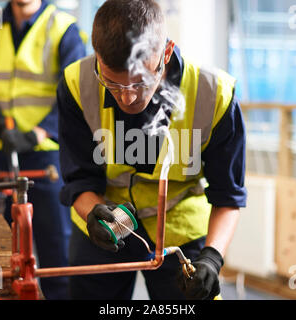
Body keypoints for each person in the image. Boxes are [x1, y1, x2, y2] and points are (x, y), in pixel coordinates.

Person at [58, 0, 247, 300]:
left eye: (140, 82)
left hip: (181, 234)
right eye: (112, 83)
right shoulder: (77, 84)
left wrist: (212, 256)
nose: (128, 97)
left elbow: (229, 195)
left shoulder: (215, 95)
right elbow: (79, 180)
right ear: (98, 58)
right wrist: (91, 213)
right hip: (107, 226)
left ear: (167, 52)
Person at [0, 0, 86, 300]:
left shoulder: (63, 28)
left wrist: (39, 132)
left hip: (45, 156)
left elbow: (76, 89)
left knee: (56, 252)